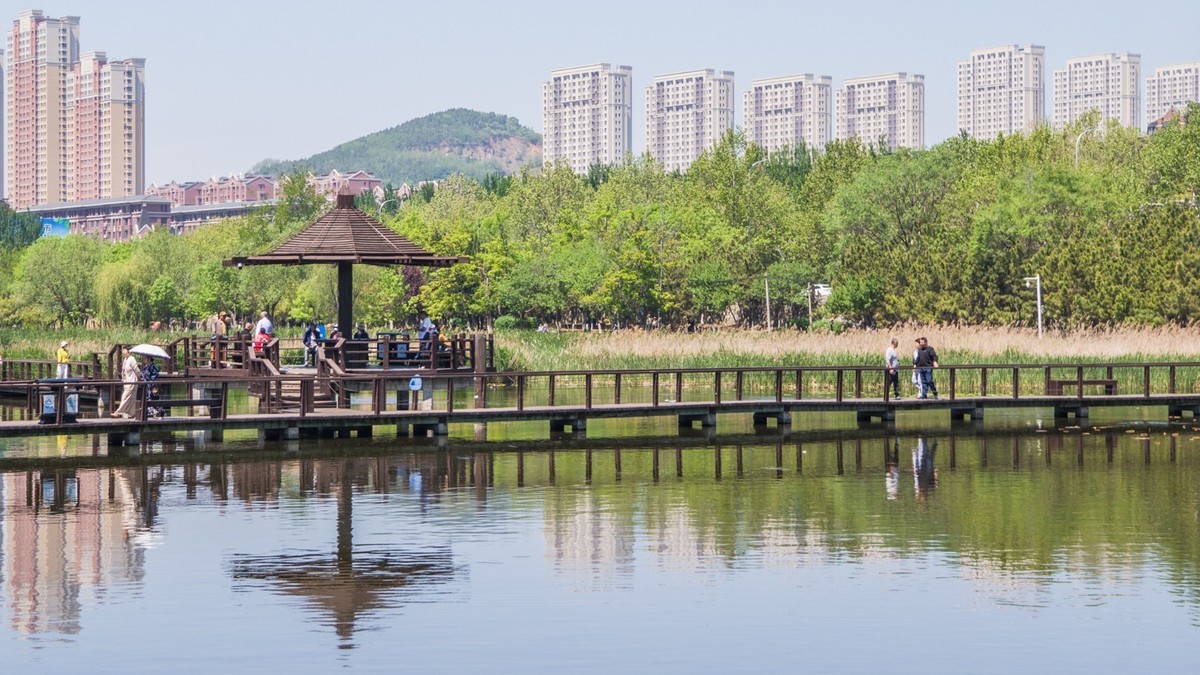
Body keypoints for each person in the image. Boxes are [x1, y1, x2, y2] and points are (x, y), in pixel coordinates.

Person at [113, 347, 141, 418]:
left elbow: (136, 369)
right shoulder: (125, 359)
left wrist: (139, 377)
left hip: (132, 382)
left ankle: (118, 412)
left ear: (128, 351)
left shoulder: (132, 359)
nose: (123, 351)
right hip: (126, 382)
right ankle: (132, 413)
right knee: (131, 398)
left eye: (124, 350)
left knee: (125, 397)